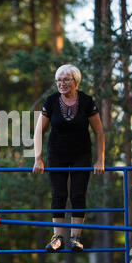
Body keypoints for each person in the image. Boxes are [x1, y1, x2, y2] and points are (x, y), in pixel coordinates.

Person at [32, 64, 105, 252]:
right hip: (56, 154)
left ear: (75, 81)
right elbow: (38, 131)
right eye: (58, 80)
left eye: (66, 79)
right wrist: (38, 158)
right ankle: (58, 237)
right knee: (59, 194)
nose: (61, 83)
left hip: (81, 154)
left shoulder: (87, 101)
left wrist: (100, 160)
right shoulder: (51, 101)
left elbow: (99, 133)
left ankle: (75, 238)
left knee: (78, 194)